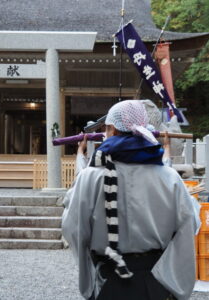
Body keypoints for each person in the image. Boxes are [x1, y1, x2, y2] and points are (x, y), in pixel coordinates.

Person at [62, 100, 200, 300]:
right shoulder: (169, 177)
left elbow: (72, 227)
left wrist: (88, 270)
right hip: (156, 279)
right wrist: (171, 276)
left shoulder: (90, 177)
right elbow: (190, 223)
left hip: (107, 277)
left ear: (111, 129)